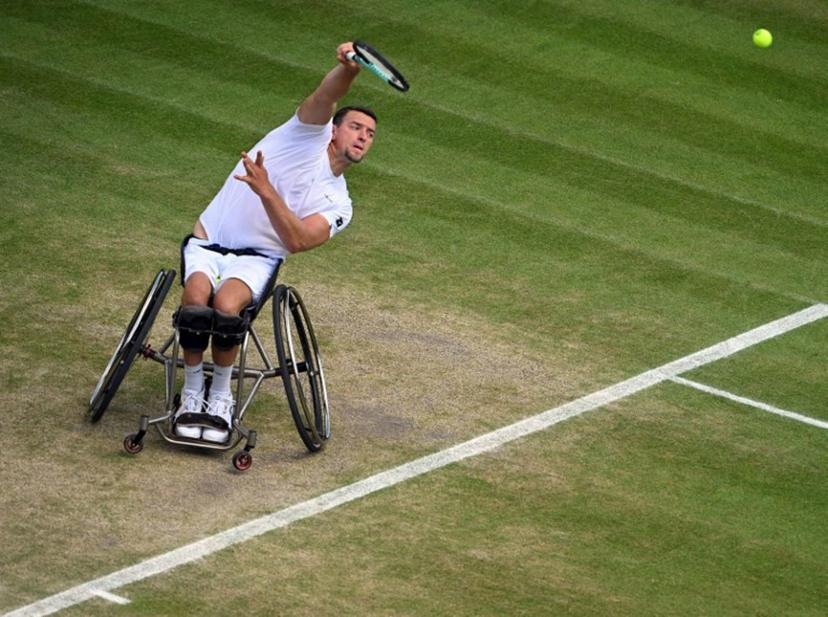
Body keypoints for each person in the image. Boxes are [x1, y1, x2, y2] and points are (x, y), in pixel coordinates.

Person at [173, 41, 377, 442]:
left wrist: (267, 191)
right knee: (197, 300)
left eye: (370, 134)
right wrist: (349, 70)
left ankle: (220, 397)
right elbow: (327, 95)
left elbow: (298, 241)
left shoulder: (340, 203)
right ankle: (192, 392)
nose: (363, 137)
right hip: (209, 241)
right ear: (334, 130)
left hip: (259, 258)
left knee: (227, 307)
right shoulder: (302, 135)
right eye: (355, 127)